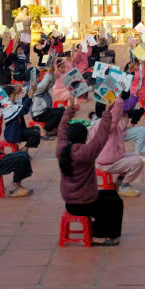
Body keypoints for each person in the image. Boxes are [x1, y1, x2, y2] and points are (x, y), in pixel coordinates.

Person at [58, 99, 124, 246]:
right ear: (85, 138)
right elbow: (102, 135)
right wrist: (107, 113)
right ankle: (98, 235)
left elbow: (61, 129)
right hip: (85, 203)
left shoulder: (61, 150)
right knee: (115, 204)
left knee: (112, 195)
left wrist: (69, 109)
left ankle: (96, 230)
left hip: (70, 202)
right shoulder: (87, 152)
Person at [91, 98, 145, 198]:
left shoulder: (97, 122)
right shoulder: (107, 124)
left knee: (135, 156)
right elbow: (118, 109)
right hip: (106, 163)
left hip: (107, 159)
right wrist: (118, 97)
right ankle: (124, 186)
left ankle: (119, 182)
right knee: (138, 162)